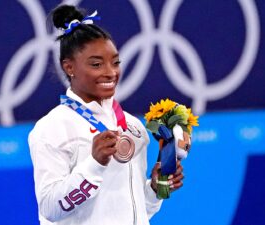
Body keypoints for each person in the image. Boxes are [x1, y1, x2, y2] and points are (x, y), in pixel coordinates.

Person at [28, 4, 184, 225]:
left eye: (115, 62)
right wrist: (94, 163)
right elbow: (51, 208)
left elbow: (137, 211)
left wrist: (154, 189)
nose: (110, 72)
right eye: (96, 64)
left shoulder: (133, 126)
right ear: (69, 67)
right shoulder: (52, 128)